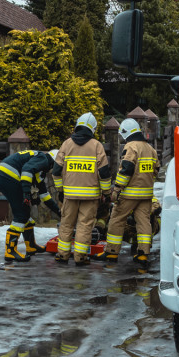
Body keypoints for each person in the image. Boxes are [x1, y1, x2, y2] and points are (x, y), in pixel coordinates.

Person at [100, 118, 161, 266]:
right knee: (144, 222)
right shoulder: (150, 149)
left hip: (129, 194)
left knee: (116, 219)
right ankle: (142, 254)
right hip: (146, 194)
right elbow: (156, 169)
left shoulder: (131, 147)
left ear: (126, 133)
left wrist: (118, 188)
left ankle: (111, 252)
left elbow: (126, 168)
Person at [53, 113, 111, 266]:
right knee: (84, 226)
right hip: (90, 196)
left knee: (66, 224)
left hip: (69, 195)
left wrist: (60, 190)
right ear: (93, 128)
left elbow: (56, 171)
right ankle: (80, 257)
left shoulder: (66, 144)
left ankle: (62, 255)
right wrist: (106, 193)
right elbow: (104, 173)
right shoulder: (97, 146)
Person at [0, 148, 61, 262]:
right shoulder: (43, 159)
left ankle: (31, 247)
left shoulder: (40, 170)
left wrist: (60, 212)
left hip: (6, 176)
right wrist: (26, 193)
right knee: (21, 215)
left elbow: (45, 196)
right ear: (54, 162)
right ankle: (10, 251)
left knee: (26, 215)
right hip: (8, 177)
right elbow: (26, 170)